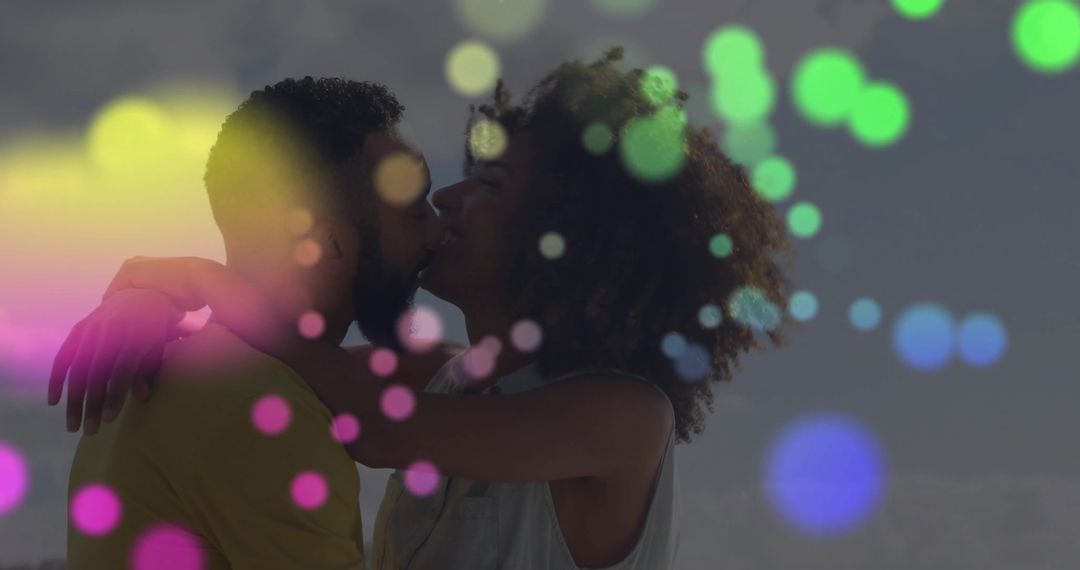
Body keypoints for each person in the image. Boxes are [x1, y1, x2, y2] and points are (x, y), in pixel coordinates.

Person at [53, 49, 793, 569]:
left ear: (568, 235)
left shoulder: (626, 418)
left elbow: (364, 420)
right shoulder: (440, 376)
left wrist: (196, 280)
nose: (446, 199)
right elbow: (273, 359)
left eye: (490, 186)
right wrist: (150, 299)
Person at [57, 77, 448, 569]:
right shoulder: (262, 407)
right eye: (415, 213)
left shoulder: (172, 372)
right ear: (329, 245)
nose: (437, 232)